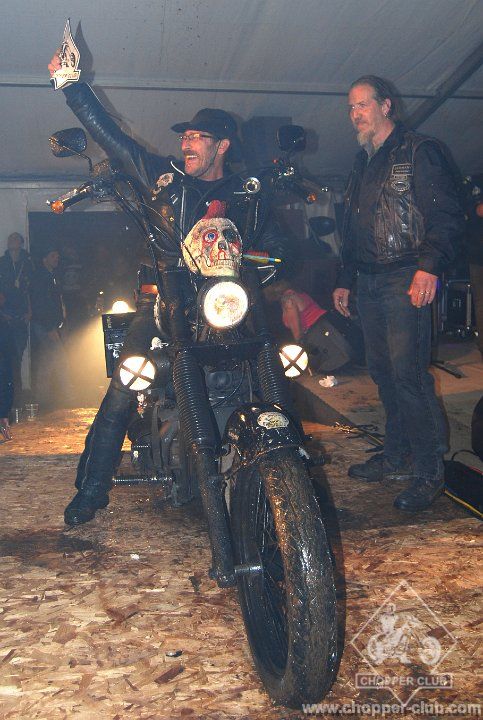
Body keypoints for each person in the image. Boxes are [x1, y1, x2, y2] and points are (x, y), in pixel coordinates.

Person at [48, 51, 289, 525]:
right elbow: (112, 137)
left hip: (226, 304)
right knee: (126, 381)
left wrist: (254, 268)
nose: (186, 142)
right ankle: (91, 490)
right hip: (167, 302)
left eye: (198, 137)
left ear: (222, 146)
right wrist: (71, 86)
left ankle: (285, 465)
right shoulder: (162, 179)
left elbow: (278, 252)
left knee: (273, 363)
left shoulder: (247, 194)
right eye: (185, 136)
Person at [333, 75, 465, 512]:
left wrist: (429, 268)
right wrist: (345, 276)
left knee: (408, 375)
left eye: (362, 105)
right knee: (383, 373)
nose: (355, 114)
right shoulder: (363, 160)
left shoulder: (419, 151)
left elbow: (446, 216)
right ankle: (396, 454)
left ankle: (429, 472)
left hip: (406, 274)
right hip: (369, 279)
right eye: (351, 108)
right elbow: (352, 227)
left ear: (386, 105)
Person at [30, 246, 72, 410]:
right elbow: (41, 304)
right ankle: (66, 397)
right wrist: (49, 327)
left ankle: (43, 398)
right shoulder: (40, 277)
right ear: (44, 259)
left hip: (53, 325)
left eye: (57, 255)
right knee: (60, 360)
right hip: (45, 326)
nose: (57, 258)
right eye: (53, 255)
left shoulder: (52, 276)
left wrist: (61, 323)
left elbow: (57, 302)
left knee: (48, 361)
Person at [0, 232, 33, 401]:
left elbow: (30, 291)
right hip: (4, 317)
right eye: (9, 239)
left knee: (17, 358)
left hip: (20, 317)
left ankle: (17, 398)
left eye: (15, 238)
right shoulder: (2, 263)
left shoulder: (27, 263)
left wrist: (30, 311)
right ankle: (7, 397)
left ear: (21, 242)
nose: (12, 241)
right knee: (5, 357)